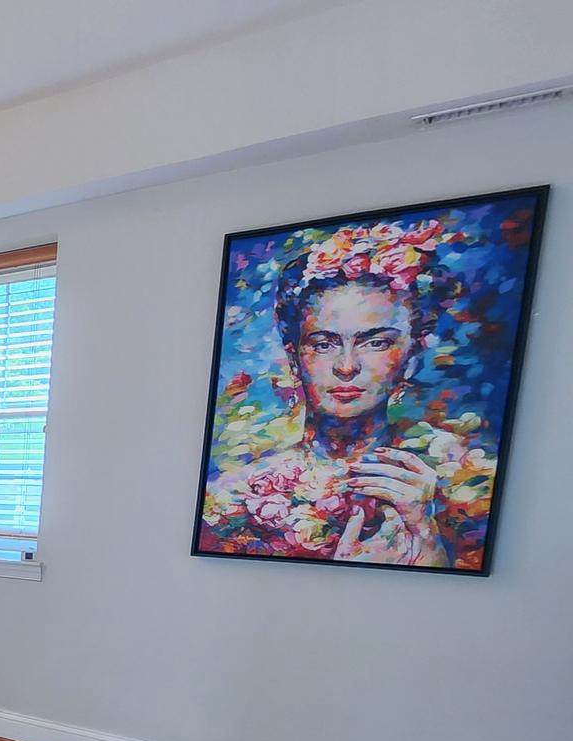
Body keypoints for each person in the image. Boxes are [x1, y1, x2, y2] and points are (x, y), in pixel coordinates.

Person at [199, 220, 484, 566]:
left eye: (375, 343)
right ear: (294, 358)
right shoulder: (233, 497)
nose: (347, 366)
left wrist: (424, 536)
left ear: (412, 356)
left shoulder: (466, 482)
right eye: (323, 343)